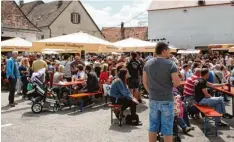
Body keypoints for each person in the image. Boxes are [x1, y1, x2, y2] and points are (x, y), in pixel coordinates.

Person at [143, 42, 180, 142]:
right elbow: (177, 83)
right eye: (168, 50)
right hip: (166, 99)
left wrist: (150, 93)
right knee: (167, 128)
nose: (169, 52)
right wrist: (169, 85)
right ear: (163, 51)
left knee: (153, 126)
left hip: (153, 98)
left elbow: (144, 82)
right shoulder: (171, 64)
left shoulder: (148, 63)